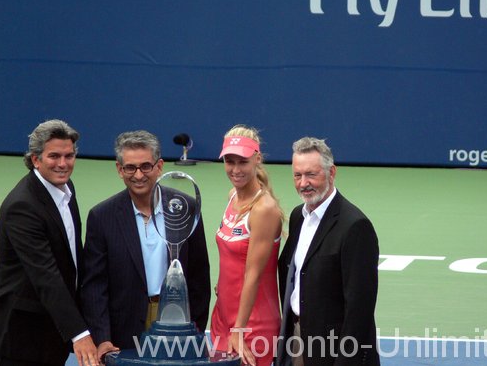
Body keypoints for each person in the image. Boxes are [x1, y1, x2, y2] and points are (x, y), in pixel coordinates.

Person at [80, 130, 211, 361]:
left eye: (146, 166)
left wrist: (196, 328)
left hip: (176, 324)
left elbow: (199, 276)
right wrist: (103, 338)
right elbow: (94, 286)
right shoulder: (102, 217)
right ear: (120, 170)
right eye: (130, 168)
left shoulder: (186, 208)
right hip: (123, 333)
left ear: (159, 166)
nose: (138, 175)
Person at [0, 119, 98, 366]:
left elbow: (72, 257)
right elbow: (46, 276)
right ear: (35, 159)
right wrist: (80, 332)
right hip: (22, 337)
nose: (63, 164)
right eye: (54, 156)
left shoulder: (64, 187)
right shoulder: (22, 207)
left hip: (52, 329)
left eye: (69, 156)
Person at [276, 137, 380, 366]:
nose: (303, 183)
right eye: (297, 175)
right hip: (298, 339)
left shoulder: (355, 226)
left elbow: (359, 311)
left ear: (331, 173)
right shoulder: (297, 218)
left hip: (336, 352)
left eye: (311, 174)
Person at [210, 125, 284, 366]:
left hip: (251, 326)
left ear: (257, 158)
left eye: (242, 161)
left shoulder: (264, 209)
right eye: (229, 161)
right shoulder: (233, 195)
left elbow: (253, 274)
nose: (235, 169)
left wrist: (239, 331)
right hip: (223, 319)